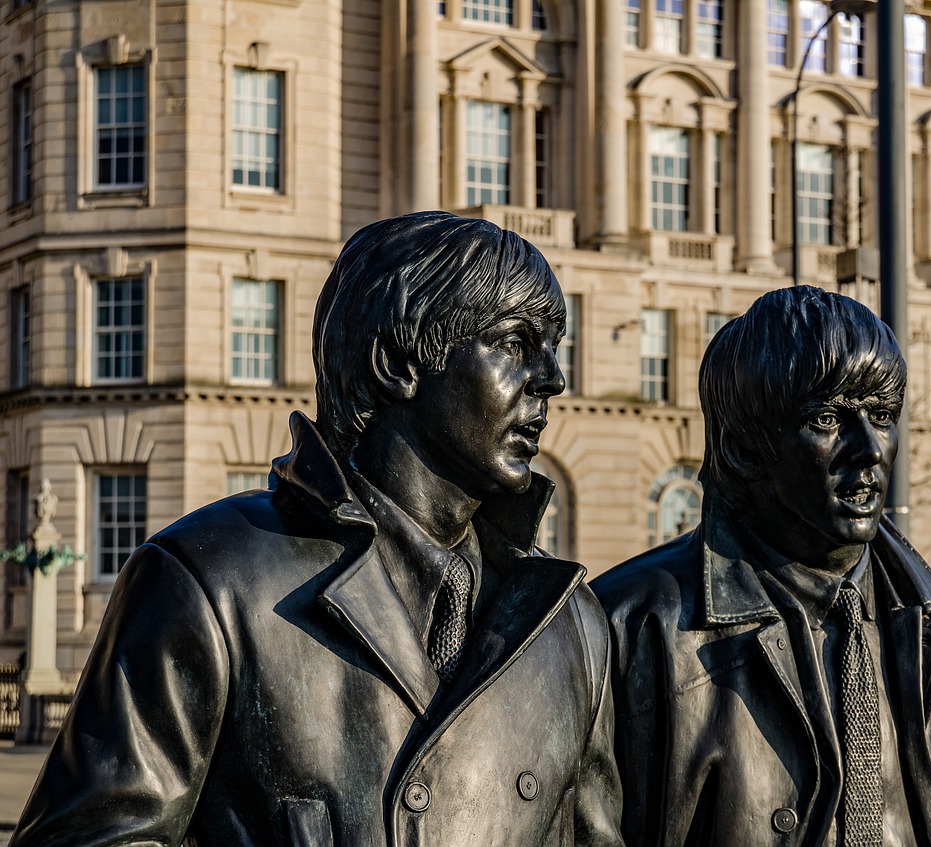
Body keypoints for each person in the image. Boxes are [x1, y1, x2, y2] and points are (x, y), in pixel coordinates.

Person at [13, 212, 623, 847]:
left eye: (554, 347)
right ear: (395, 363)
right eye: (515, 342)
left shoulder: (572, 626)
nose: (554, 379)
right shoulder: (211, 580)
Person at [592, 286, 931, 847]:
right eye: (828, 418)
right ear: (743, 446)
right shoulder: (629, 626)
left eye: (883, 416)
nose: (870, 449)